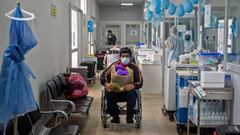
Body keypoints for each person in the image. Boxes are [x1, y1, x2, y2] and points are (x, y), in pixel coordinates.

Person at [100, 47, 143, 124]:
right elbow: (103, 76)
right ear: (120, 57)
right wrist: (106, 84)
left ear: (130, 57)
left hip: (128, 93)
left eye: (127, 56)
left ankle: (129, 117)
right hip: (115, 92)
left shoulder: (134, 67)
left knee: (132, 93)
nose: (125, 58)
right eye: (123, 56)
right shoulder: (114, 65)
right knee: (108, 93)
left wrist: (133, 85)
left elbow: (140, 81)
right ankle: (115, 116)